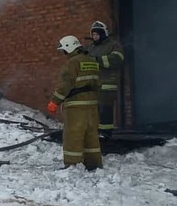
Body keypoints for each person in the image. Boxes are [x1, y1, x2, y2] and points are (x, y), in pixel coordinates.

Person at [48, 35, 102, 171]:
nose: (64, 54)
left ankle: (72, 165)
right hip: (92, 105)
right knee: (91, 135)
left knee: (73, 135)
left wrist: (54, 101)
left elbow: (65, 85)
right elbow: (98, 83)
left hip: (76, 107)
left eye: (64, 51)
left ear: (69, 47)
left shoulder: (73, 63)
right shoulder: (92, 61)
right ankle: (94, 163)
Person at [85, 21, 125, 138]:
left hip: (107, 83)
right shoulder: (91, 48)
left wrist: (97, 60)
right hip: (93, 85)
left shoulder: (113, 45)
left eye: (97, 34)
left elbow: (117, 58)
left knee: (105, 110)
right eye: (93, 34)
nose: (95, 36)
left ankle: (106, 134)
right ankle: (95, 133)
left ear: (103, 34)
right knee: (93, 111)